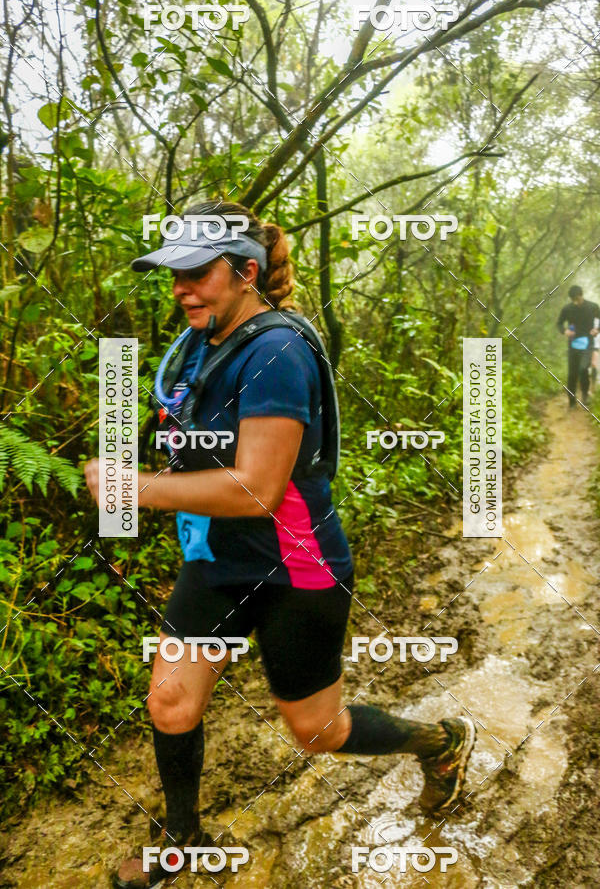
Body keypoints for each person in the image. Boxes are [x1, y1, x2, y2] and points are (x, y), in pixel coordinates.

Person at [85, 200, 476, 888]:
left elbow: (257, 487)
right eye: (172, 275)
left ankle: (439, 743)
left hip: (297, 567)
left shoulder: (279, 350)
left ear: (245, 271)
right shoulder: (201, 343)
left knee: (315, 732)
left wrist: (136, 488)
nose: (181, 288)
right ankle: (183, 837)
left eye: (196, 273)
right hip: (218, 561)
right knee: (170, 700)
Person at [556, 285, 600, 407]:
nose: (575, 302)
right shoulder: (567, 309)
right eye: (573, 300)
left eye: (577, 299)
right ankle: (571, 402)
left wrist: (597, 329)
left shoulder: (593, 307)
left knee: (583, 368)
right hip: (573, 344)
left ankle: (585, 396)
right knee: (572, 373)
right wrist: (565, 331)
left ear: (581, 295)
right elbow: (559, 323)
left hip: (587, 343)